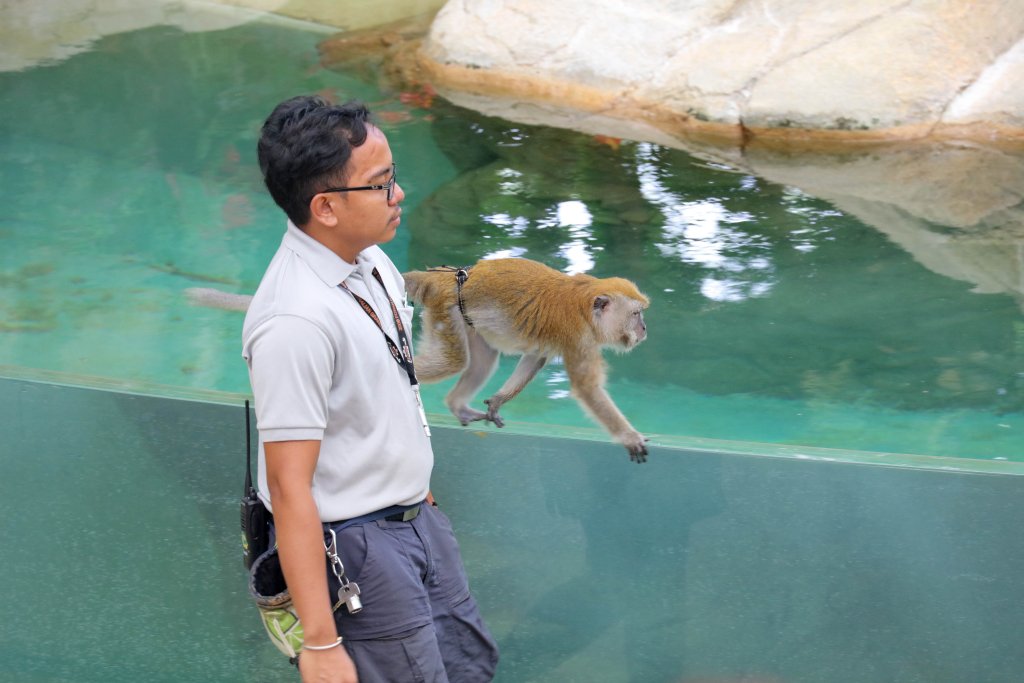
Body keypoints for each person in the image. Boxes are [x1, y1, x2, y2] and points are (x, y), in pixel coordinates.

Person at [242, 95, 499, 683]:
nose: (398, 194)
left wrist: (422, 497)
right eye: (381, 184)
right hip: (358, 547)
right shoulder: (294, 322)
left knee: (468, 666)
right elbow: (288, 487)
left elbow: (389, 390)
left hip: (415, 519)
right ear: (326, 207)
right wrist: (322, 643)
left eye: (394, 178)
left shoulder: (372, 263)